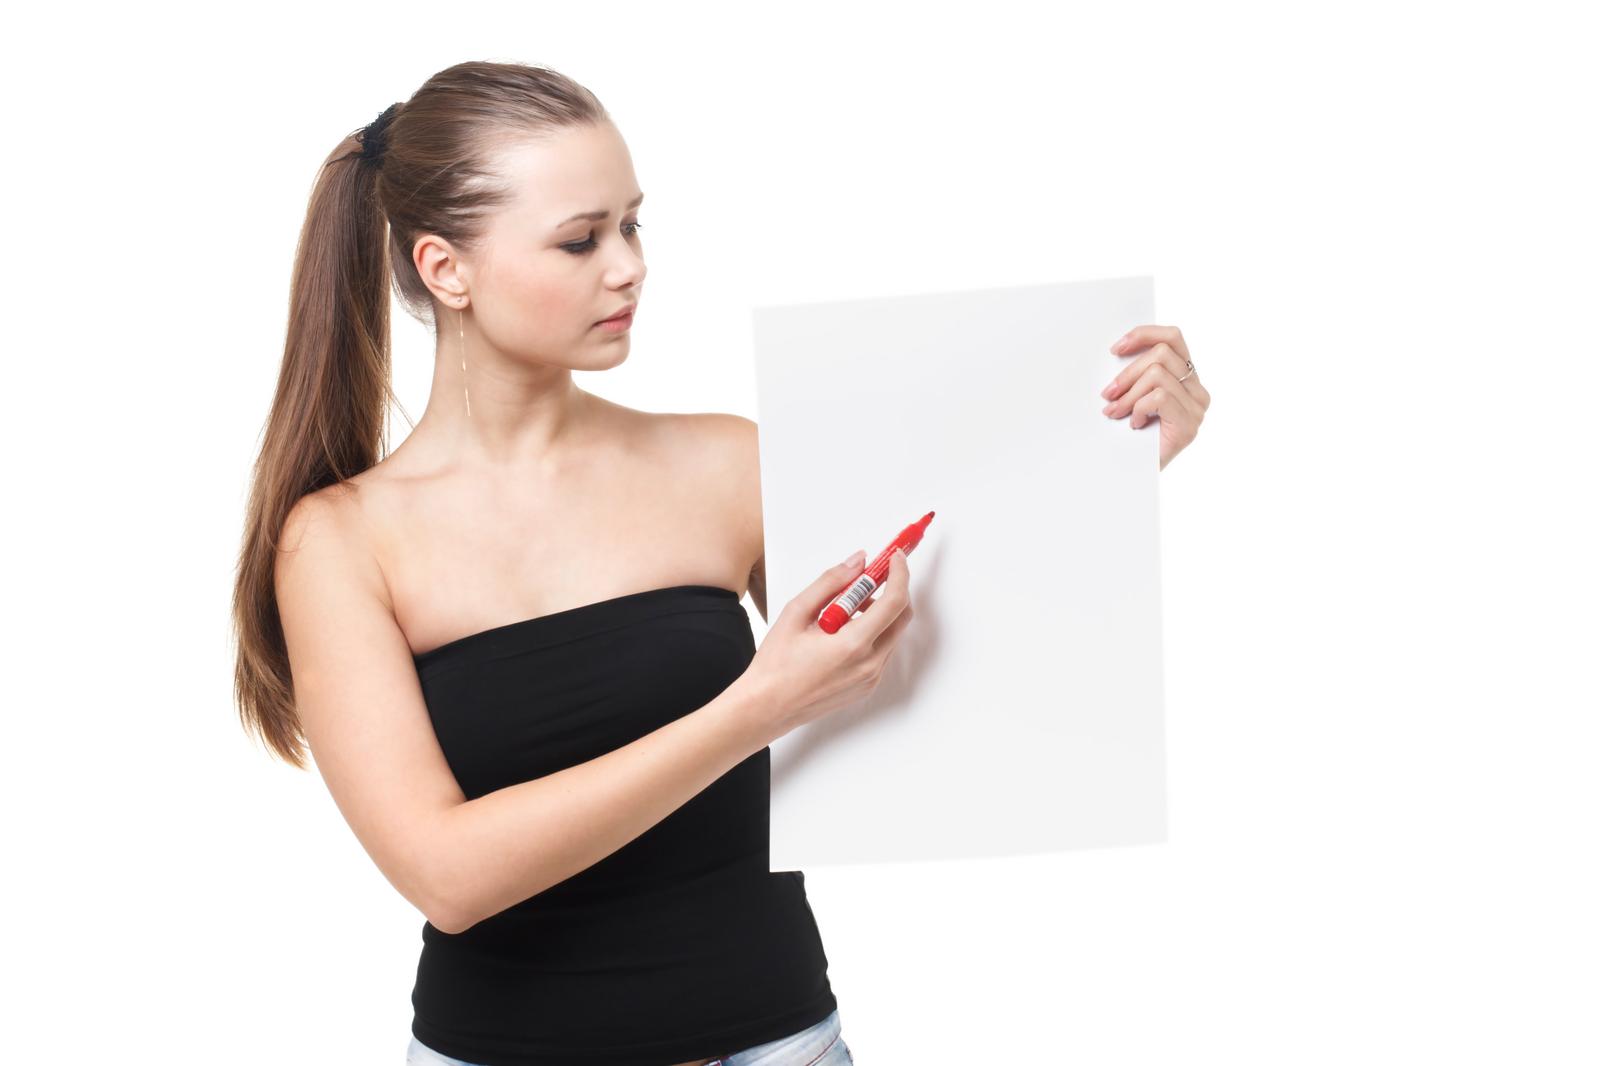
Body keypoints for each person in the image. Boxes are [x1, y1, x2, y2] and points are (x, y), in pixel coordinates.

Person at [231, 60, 1208, 1066]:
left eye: (632, 224)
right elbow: (447, 872)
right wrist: (748, 711)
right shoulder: (340, 539)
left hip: (780, 1045)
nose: (628, 266)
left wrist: (1111, 471)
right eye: (580, 239)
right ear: (445, 269)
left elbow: (919, 692)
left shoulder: (725, 462)